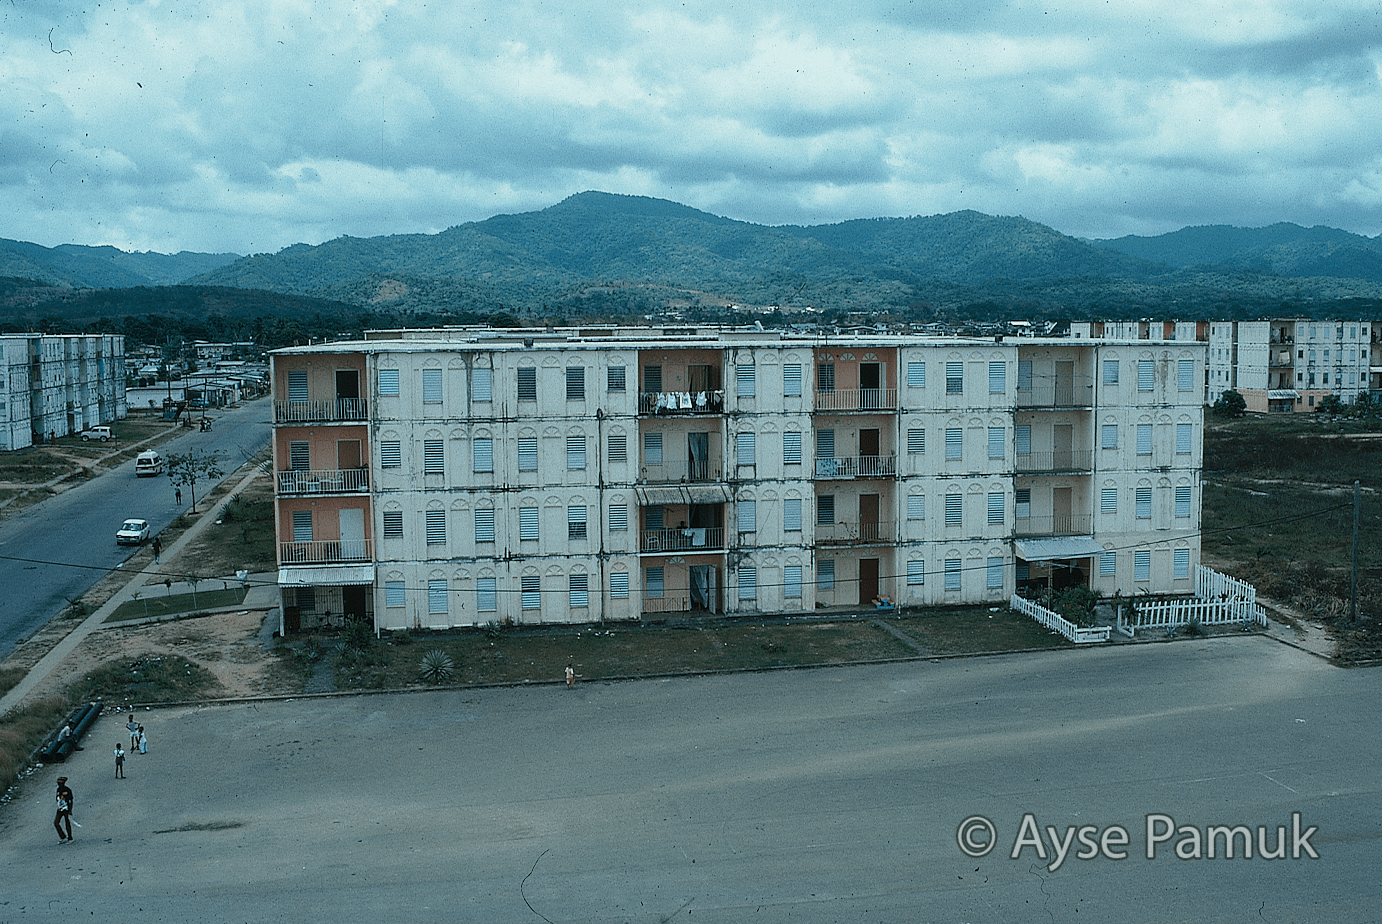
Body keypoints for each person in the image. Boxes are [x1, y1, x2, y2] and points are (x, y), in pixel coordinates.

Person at [54, 778, 74, 843]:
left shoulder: (68, 790)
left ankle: (70, 838)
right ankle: (63, 837)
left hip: (66, 808)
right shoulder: (58, 790)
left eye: (60, 783)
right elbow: (57, 799)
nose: (59, 785)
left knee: (67, 823)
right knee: (56, 822)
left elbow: (71, 800)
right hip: (60, 808)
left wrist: (70, 810)